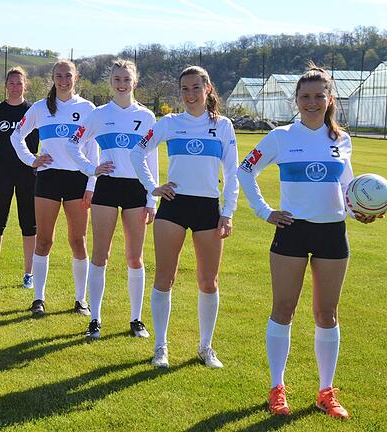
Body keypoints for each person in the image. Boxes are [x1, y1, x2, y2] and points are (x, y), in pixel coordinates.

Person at [238, 65, 382, 419]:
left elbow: (346, 188)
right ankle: (276, 388)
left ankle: (325, 392)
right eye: (305, 96)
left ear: (330, 99)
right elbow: (245, 169)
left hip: (332, 233)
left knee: (326, 314)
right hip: (292, 231)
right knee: (283, 311)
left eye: (319, 96)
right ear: (296, 100)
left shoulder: (341, 139)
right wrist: (264, 211)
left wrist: (358, 211)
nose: (312, 102)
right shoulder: (281, 137)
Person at [130, 65, 239, 369]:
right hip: (173, 206)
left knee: (208, 281)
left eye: (196, 88)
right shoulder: (169, 123)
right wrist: (153, 187)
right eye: (185, 89)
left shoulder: (224, 126)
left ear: (208, 89)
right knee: (165, 278)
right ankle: (160, 347)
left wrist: (227, 212)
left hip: (208, 209)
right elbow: (137, 153)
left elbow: (232, 173)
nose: (190, 94)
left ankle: (205, 348)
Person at [66, 59, 157, 339]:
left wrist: (152, 199)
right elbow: (73, 143)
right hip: (106, 189)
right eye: (117, 79)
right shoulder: (98, 114)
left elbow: (151, 160)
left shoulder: (147, 117)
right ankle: (94, 319)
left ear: (135, 82)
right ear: (111, 82)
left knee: (134, 257)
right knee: (100, 255)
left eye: (126, 79)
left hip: (135, 191)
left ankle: (136, 319)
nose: (121, 84)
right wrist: (91, 169)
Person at [10, 59, 97, 317]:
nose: (63, 80)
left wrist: (91, 184)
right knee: (44, 240)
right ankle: (38, 299)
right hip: (47, 178)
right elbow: (16, 136)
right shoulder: (40, 108)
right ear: (53, 77)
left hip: (77, 181)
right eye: (59, 75)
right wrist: (31, 160)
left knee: (77, 240)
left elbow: (94, 150)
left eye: (68, 75)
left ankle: (81, 300)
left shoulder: (87, 108)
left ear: (76, 77)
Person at [0, 67, 39, 289]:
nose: (15, 86)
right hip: (0, 174)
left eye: (19, 82)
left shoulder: (35, 112)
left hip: (28, 174)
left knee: (29, 225)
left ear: (26, 85)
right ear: (6, 85)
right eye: (11, 82)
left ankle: (29, 274)